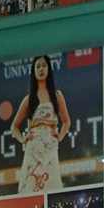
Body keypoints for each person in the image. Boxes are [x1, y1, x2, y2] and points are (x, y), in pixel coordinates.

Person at [9, 54, 69, 194]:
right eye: (38, 66)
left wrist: (59, 136)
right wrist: (23, 139)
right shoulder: (29, 99)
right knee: (30, 186)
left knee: (52, 183)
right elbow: (14, 126)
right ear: (33, 71)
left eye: (44, 65)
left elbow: (67, 121)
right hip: (33, 147)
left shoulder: (57, 95)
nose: (41, 69)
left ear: (48, 69)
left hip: (50, 146)